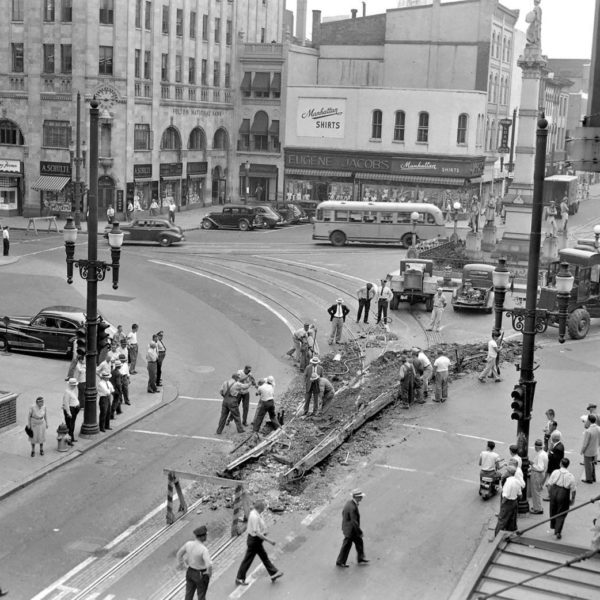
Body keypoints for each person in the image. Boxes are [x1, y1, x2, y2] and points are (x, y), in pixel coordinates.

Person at [235, 499, 283, 585]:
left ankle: (273, 573)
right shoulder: (254, 516)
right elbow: (257, 532)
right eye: (263, 505)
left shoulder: (257, 514)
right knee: (251, 559)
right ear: (260, 507)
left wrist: (265, 530)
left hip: (255, 540)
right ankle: (239, 578)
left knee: (258, 558)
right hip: (254, 541)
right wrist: (269, 541)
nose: (265, 507)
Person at [176, 525, 213, 600]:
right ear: (202, 537)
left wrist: (183, 564)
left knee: (189, 594)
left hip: (190, 571)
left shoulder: (188, 544)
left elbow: (179, 554)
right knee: (201, 595)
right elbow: (209, 564)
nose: (206, 536)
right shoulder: (203, 549)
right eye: (205, 535)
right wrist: (209, 573)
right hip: (200, 574)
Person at [336, 488, 369, 568]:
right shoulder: (353, 507)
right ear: (357, 497)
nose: (362, 498)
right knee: (346, 546)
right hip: (351, 531)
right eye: (360, 496)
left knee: (359, 542)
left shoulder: (349, 503)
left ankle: (360, 558)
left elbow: (343, 513)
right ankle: (340, 562)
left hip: (349, 529)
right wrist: (359, 532)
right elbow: (354, 522)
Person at [546, 457, 576, 540]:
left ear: (560, 464)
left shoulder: (555, 472)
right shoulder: (571, 476)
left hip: (554, 491)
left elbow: (549, 484)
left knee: (553, 509)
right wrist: (572, 499)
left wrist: (550, 494)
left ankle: (553, 525)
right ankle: (558, 531)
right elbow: (573, 490)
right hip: (564, 493)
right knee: (562, 512)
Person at [494, 465, 524, 536]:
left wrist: (503, 503)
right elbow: (520, 494)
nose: (505, 472)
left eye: (506, 471)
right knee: (512, 519)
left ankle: (497, 535)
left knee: (502, 519)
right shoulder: (517, 481)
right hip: (514, 502)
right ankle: (510, 533)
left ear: (509, 473)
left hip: (507, 503)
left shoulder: (508, 482)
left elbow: (506, 496)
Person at [529, 439, 548, 514]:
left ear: (536, 447)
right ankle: (537, 506)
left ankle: (538, 508)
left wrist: (532, 464)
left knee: (535, 491)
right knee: (537, 491)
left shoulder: (540, 455)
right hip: (541, 474)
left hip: (537, 474)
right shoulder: (544, 453)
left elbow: (540, 468)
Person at [581, 414, 600, 483]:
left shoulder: (588, 431)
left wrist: (582, 451)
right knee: (592, 464)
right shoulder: (598, 428)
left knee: (588, 465)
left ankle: (589, 479)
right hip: (595, 450)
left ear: (589, 421)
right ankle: (593, 477)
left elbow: (585, 443)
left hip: (588, 451)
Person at [62, 378, 80, 445]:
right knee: (70, 425)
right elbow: (66, 403)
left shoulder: (72, 390)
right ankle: (69, 440)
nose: (75, 386)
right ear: (70, 385)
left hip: (74, 408)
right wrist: (69, 413)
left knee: (72, 424)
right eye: (74, 385)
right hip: (71, 409)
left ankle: (71, 438)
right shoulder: (67, 392)